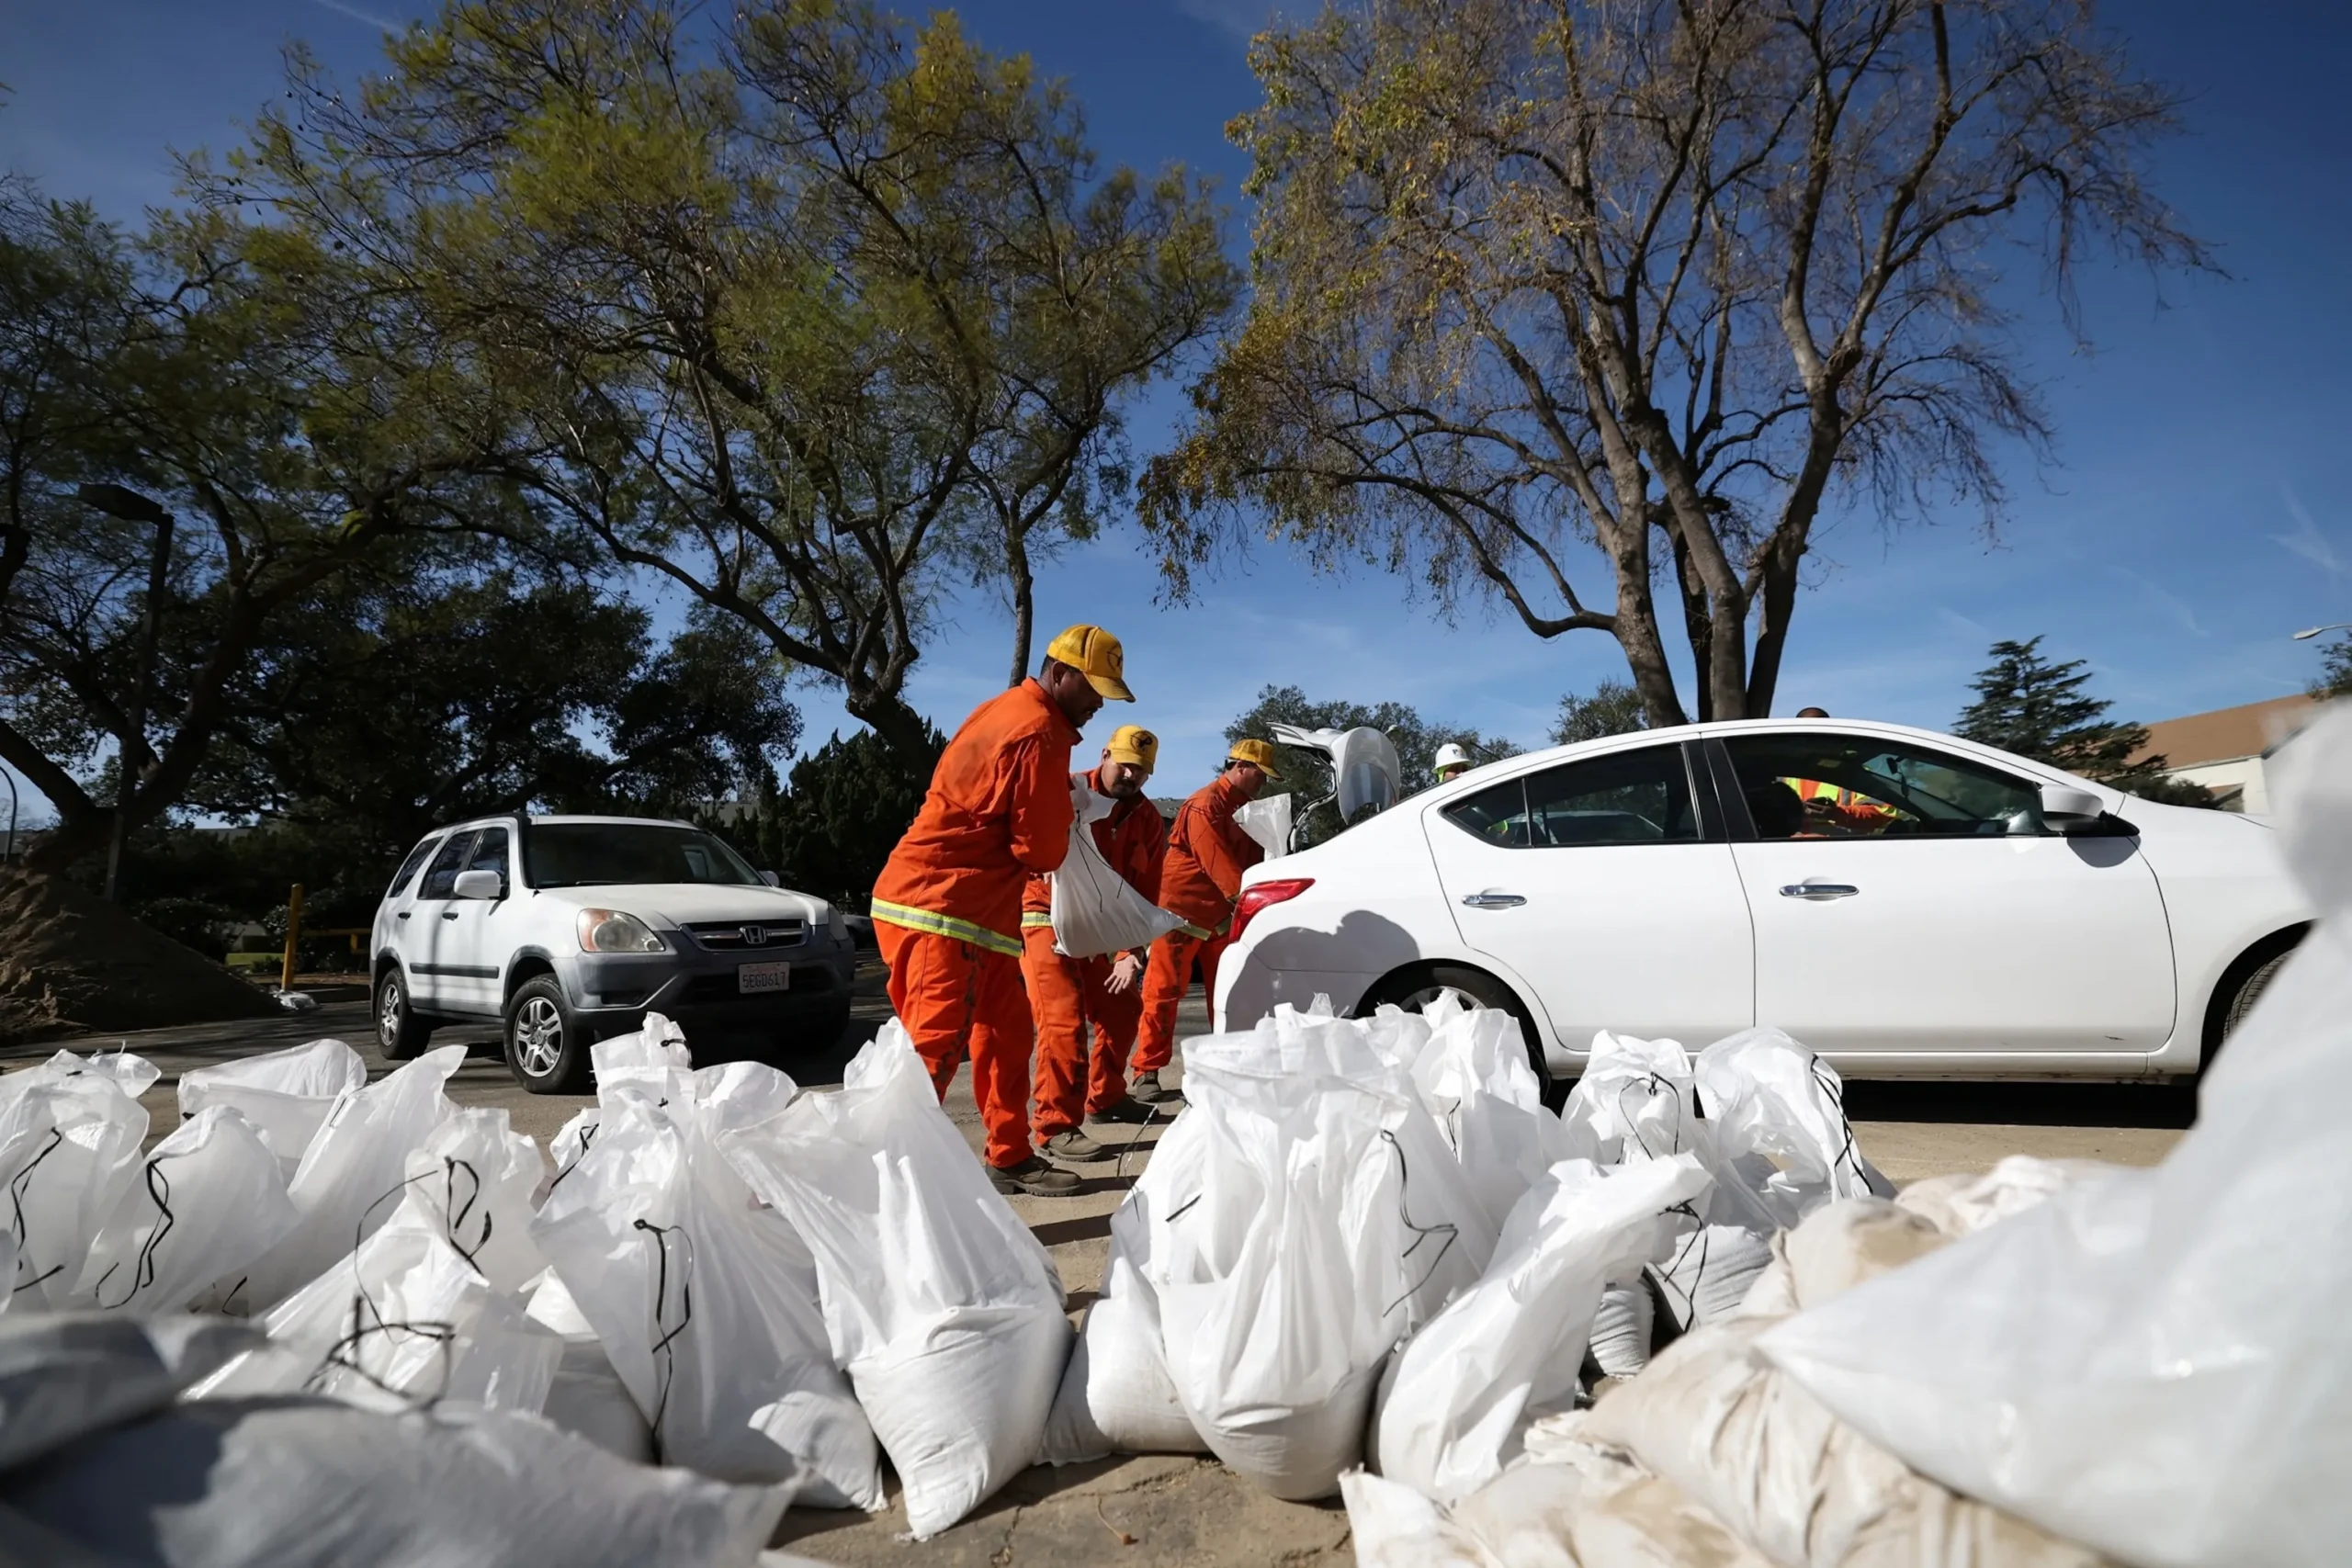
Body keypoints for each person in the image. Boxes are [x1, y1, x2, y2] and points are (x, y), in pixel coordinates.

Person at [868, 624, 1134, 1198]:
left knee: (1008, 1033)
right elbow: (1037, 849)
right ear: (1059, 674)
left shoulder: (1008, 711)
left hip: (970, 912)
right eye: (1091, 690)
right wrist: (1069, 812)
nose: (1095, 706)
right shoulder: (1040, 731)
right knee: (933, 1049)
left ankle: (1008, 1157)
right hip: (940, 906)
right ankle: (888, 1190)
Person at [1017, 724, 1168, 1158]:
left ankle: (1105, 1097)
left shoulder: (1147, 821)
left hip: (1092, 928)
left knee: (1123, 1007)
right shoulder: (1064, 792)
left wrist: (1129, 952)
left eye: (1141, 771)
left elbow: (1145, 893)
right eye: (1124, 764)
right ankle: (1055, 1126)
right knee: (1062, 1018)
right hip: (1042, 915)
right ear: (1104, 754)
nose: (1130, 776)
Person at [1131, 739, 1279, 1102]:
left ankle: (1222, 1067)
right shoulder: (1205, 803)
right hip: (1179, 911)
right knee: (1162, 993)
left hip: (1220, 915)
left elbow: (1256, 861)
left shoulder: (1249, 811)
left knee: (1226, 993)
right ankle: (1145, 1073)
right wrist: (1251, 900)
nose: (1263, 784)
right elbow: (1218, 862)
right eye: (1260, 775)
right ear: (1241, 767)